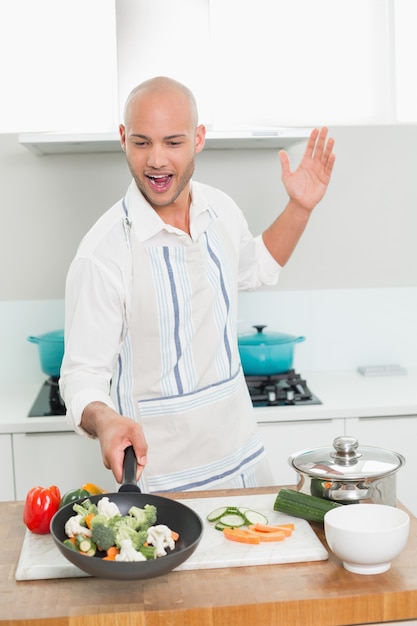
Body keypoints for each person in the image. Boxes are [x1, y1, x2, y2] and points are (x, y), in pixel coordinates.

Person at [59, 76, 335, 492]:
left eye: (173, 142)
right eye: (141, 142)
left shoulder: (219, 209)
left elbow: (254, 266)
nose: (156, 160)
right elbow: (81, 377)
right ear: (122, 139)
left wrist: (299, 207)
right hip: (163, 486)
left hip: (244, 466)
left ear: (198, 139)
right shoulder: (102, 253)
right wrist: (105, 418)